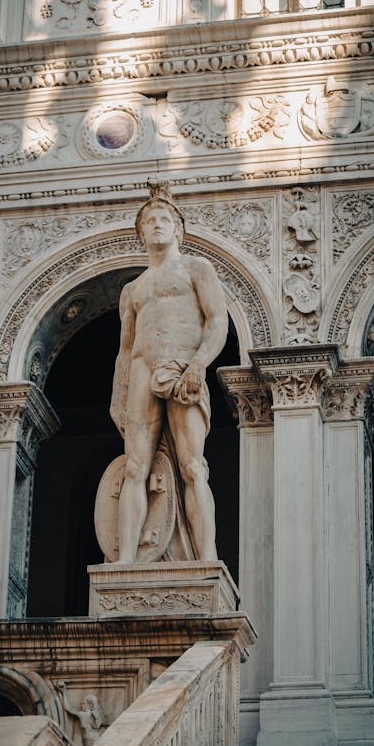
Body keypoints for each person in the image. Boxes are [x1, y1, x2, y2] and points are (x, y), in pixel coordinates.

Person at [110, 180, 228, 563]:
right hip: (143, 371)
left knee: (193, 467)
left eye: (164, 219)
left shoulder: (197, 268)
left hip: (183, 368)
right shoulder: (133, 289)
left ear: (178, 229)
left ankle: (207, 558)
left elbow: (216, 322)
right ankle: (126, 560)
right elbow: (125, 349)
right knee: (135, 467)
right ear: (141, 232)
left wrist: (198, 366)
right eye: (150, 221)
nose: (157, 225)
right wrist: (118, 396)